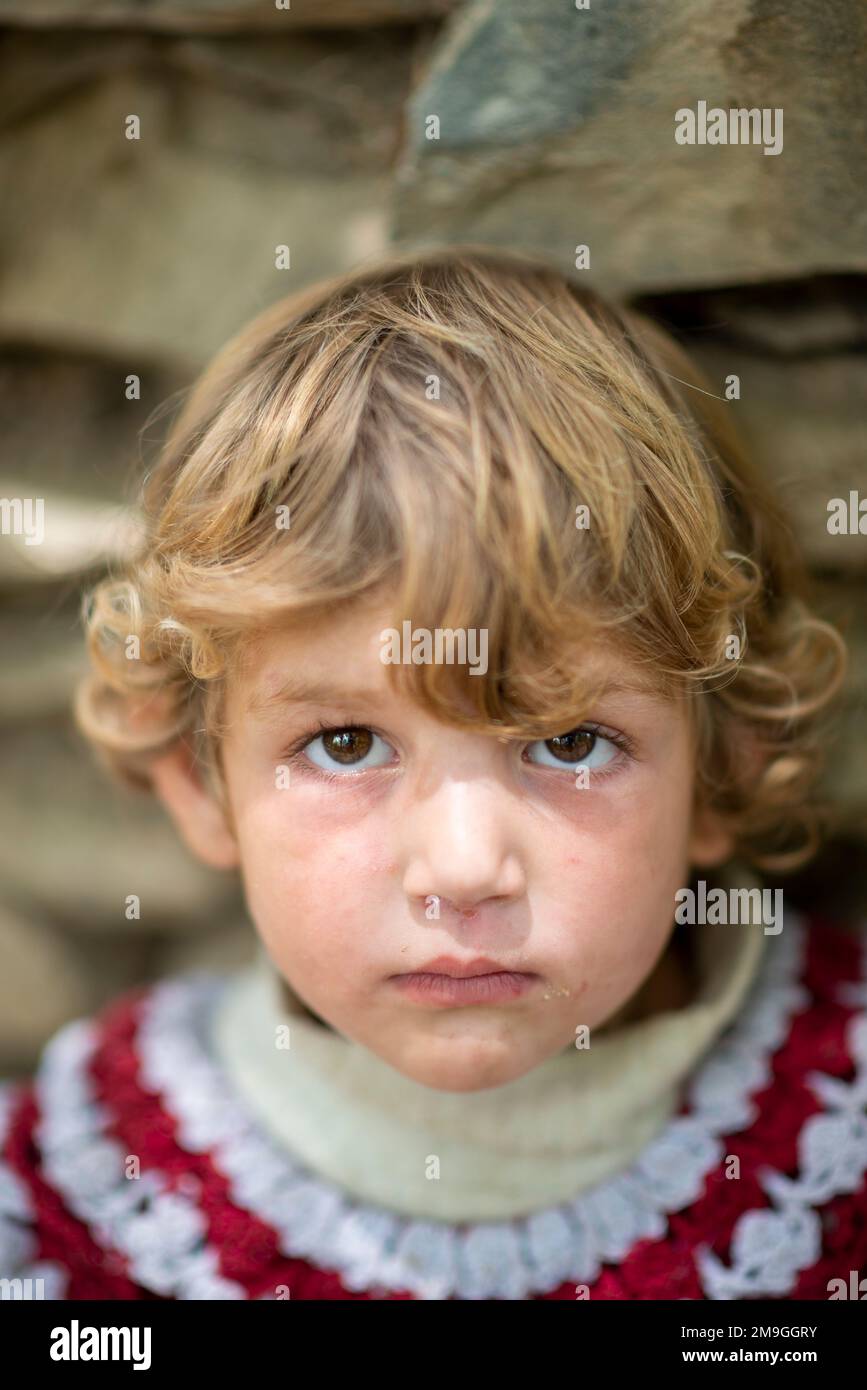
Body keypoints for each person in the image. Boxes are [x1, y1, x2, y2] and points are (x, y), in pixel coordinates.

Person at [2, 247, 863, 1301]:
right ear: (197, 775)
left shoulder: (842, 1142)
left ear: (726, 765)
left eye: (570, 742)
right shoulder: (86, 1193)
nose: (463, 870)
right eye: (347, 744)